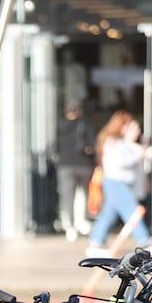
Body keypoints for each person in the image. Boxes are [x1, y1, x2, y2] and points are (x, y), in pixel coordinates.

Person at [85, 109, 152, 257]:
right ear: (121, 126)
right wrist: (140, 155)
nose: (135, 130)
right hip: (116, 182)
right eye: (130, 126)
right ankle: (145, 241)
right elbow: (120, 162)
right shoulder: (114, 142)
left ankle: (96, 242)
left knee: (109, 214)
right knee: (133, 212)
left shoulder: (122, 143)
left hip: (120, 183)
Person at [55, 98, 95, 242]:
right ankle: (82, 222)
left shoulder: (59, 126)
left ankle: (70, 227)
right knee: (83, 194)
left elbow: (54, 146)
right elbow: (92, 144)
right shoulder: (85, 125)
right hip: (83, 164)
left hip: (65, 165)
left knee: (68, 197)